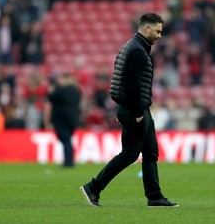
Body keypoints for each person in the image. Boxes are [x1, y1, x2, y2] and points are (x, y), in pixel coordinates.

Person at [80, 13, 178, 207]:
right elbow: (132, 85)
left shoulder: (133, 46)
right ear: (147, 28)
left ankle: (154, 196)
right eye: (158, 31)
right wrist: (137, 113)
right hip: (137, 110)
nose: (160, 36)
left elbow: (123, 81)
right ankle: (93, 187)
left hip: (137, 108)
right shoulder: (137, 51)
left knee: (151, 153)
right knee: (130, 154)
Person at [46, 72, 81, 168]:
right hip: (73, 119)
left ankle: (68, 163)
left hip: (61, 119)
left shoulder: (61, 90)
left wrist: (51, 91)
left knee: (65, 140)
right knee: (67, 140)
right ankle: (69, 161)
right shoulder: (76, 90)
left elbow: (50, 98)